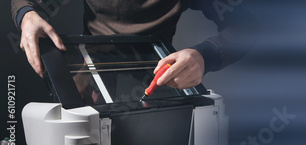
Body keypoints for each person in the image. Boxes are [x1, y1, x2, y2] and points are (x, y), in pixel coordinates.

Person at [11, 0, 257, 89]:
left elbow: (246, 25)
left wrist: (204, 55)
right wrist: (27, 16)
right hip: (91, 71)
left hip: (159, 77)